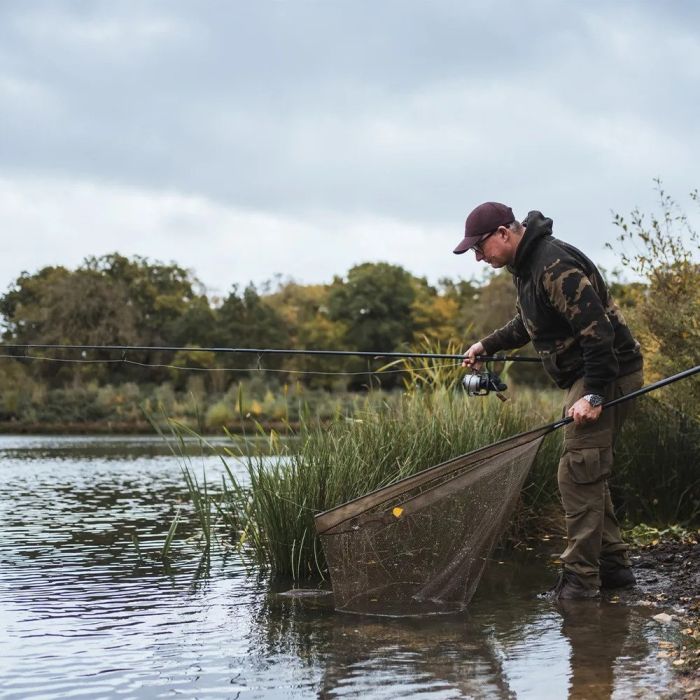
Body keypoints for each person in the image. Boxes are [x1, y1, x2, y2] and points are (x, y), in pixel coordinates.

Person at [454, 202, 644, 600]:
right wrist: (487, 345)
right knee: (587, 470)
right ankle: (614, 569)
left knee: (578, 471)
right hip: (588, 375)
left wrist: (594, 394)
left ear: (503, 233)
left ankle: (580, 583)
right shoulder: (526, 268)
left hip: (608, 373)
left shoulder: (553, 264)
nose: (478, 257)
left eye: (480, 247)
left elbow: (599, 333)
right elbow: (527, 324)